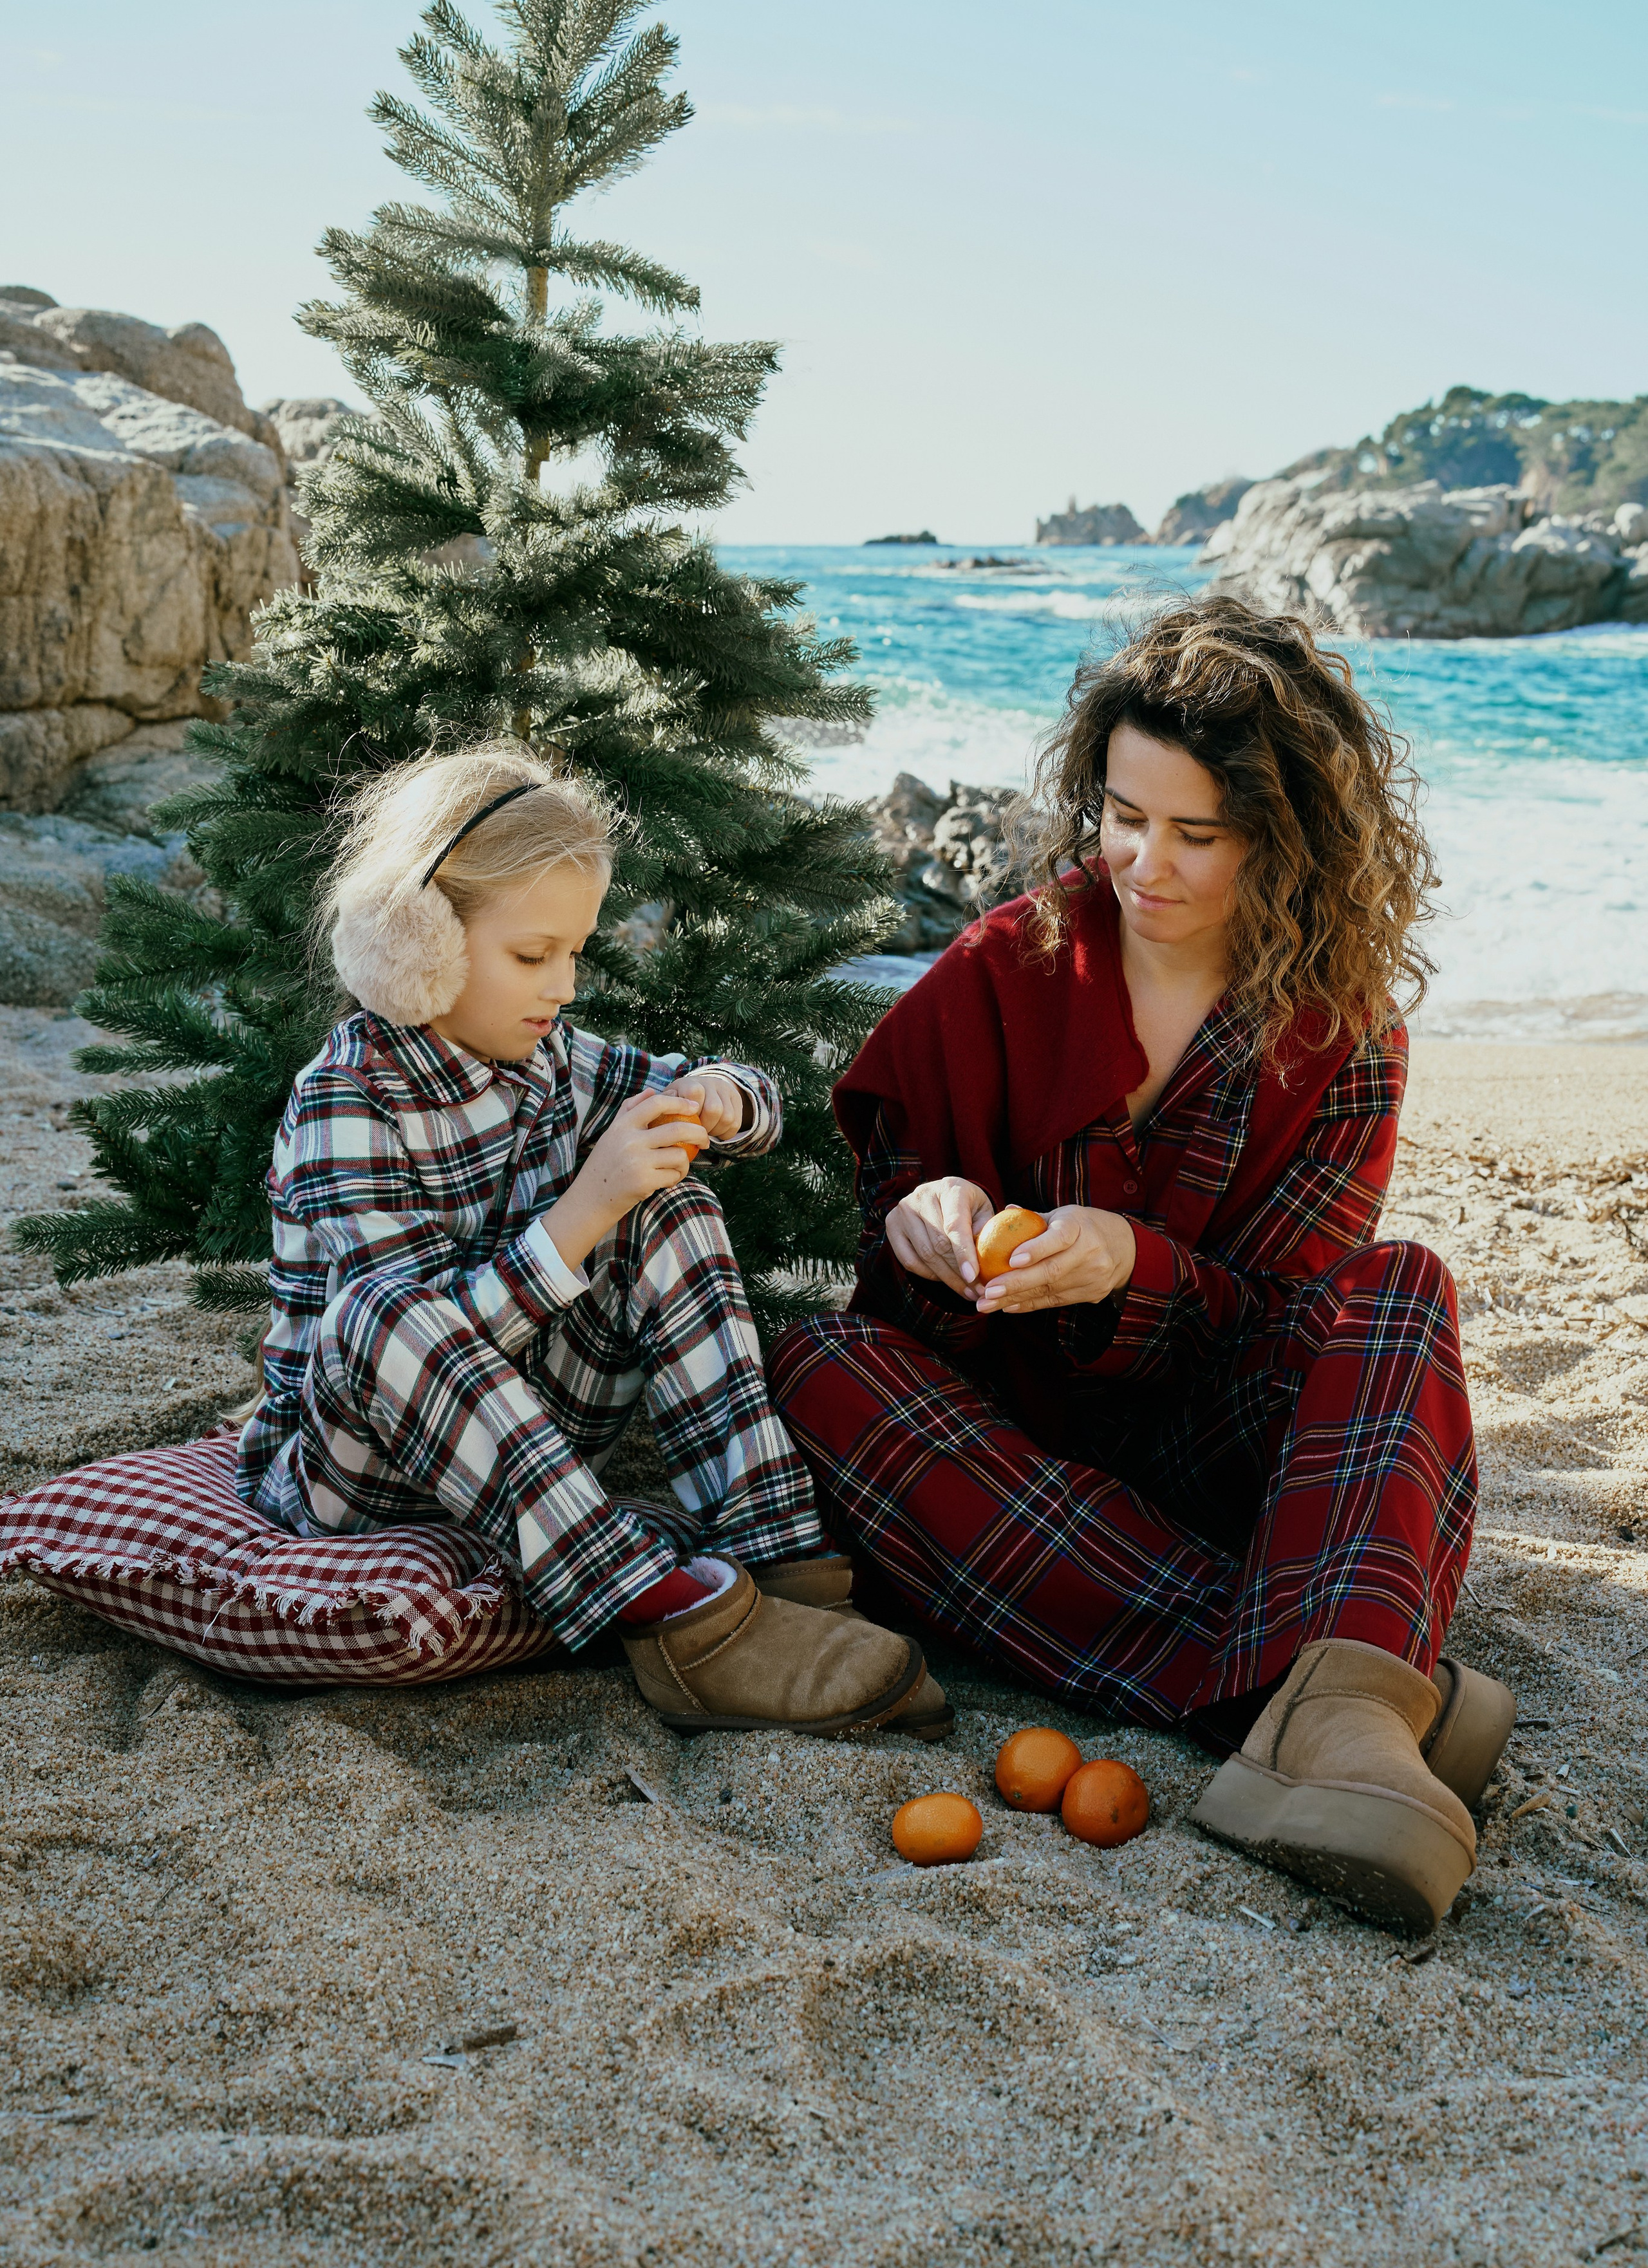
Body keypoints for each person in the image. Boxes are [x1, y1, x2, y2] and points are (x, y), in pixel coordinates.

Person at [769, 601, 1515, 1930]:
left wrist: (1132, 1264)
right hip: (1002, 1456)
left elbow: (1286, 1322)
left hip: (1202, 1454)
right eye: (1120, 815)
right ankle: (1328, 1694)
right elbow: (893, 1208)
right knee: (814, 1364)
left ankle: (1324, 1697)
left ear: (1284, 841)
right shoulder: (1005, 962)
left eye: (1194, 834)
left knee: (1399, 1289)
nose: (1140, 864)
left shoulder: (1340, 1030)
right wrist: (921, 1216)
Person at [238, 743, 946, 1739]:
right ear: (416, 939)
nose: (565, 985)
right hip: (358, 1475)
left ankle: (788, 1570)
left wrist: (716, 1100)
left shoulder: (558, 1060)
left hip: (536, 1445)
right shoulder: (346, 1099)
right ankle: (667, 1614)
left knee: (673, 1205)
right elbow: (404, 1349)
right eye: (534, 956)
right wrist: (579, 1217)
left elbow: (761, 1110)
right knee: (385, 1309)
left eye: (575, 951)